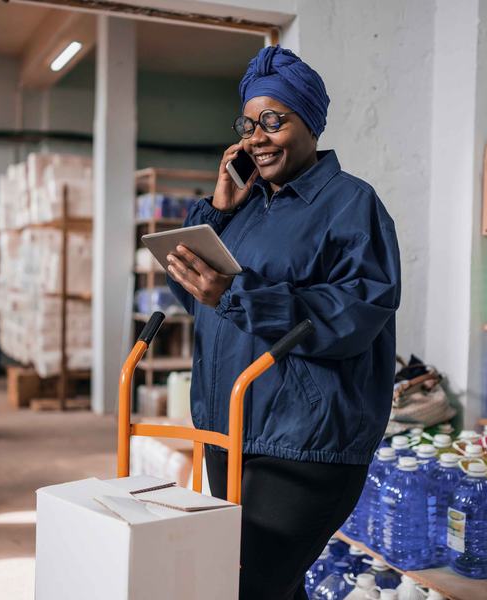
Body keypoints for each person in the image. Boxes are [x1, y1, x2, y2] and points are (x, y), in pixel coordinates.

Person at [165, 45, 400, 600]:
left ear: (310, 123)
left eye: (274, 120)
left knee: (246, 586)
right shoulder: (243, 208)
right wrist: (218, 210)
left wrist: (240, 293)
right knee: (272, 589)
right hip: (231, 431)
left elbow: (354, 316)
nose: (257, 137)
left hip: (306, 443)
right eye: (248, 123)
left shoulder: (352, 205)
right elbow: (195, 297)